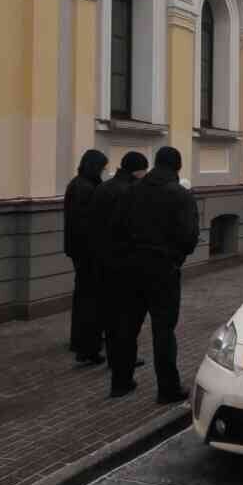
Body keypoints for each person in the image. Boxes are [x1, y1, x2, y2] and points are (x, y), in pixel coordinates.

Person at [113, 146, 199, 403]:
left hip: (131, 267)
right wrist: (176, 257)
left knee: (127, 326)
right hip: (164, 269)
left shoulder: (131, 191)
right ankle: (167, 389)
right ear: (177, 167)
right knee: (164, 330)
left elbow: (116, 228)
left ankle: (120, 382)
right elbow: (189, 237)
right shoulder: (181, 196)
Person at [91, 151, 149, 380]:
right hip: (124, 263)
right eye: (144, 170)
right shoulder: (130, 192)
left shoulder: (103, 188)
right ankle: (123, 361)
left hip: (101, 259)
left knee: (109, 312)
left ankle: (115, 357)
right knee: (125, 318)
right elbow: (131, 228)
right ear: (138, 170)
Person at [64, 149, 109, 364]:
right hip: (89, 251)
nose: (103, 171)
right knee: (90, 297)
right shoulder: (86, 188)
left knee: (83, 294)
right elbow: (90, 223)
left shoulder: (77, 183)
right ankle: (86, 343)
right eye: (102, 167)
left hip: (79, 249)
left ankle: (80, 339)